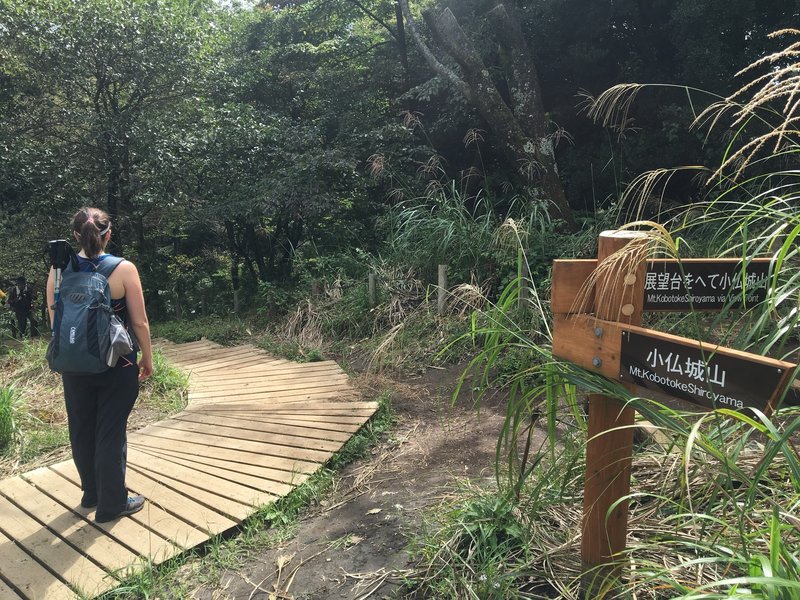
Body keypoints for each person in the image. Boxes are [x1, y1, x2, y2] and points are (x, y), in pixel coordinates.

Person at [46, 207, 154, 523]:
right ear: (109, 233)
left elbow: (56, 323)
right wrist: (146, 357)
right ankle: (112, 504)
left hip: (73, 366)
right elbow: (140, 322)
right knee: (110, 432)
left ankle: (91, 494)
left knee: (81, 429)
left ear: (75, 235)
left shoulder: (58, 272)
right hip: (117, 365)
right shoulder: (123, 269)